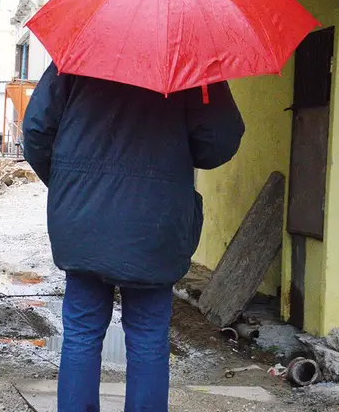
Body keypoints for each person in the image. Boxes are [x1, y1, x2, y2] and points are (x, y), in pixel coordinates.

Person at [22, 63, 245, 412]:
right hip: (156, 226)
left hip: (85, 223)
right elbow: (218, 144)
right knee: (148, 339)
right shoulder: (189, 60)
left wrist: (73, 187)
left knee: (81, 334)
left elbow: (36, 131)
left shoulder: (81, 52)